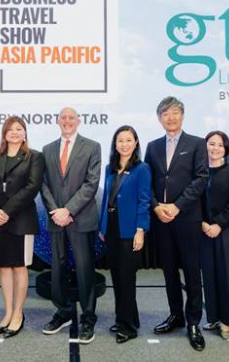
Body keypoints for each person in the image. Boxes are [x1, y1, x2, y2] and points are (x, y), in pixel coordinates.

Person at [144, 96, 208, 351]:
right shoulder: (152, 146)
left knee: (192, 271)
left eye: (174, 113)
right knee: (169, 270)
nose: (170, 118)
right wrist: (156, 206)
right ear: (159, 118)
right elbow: (146, 181)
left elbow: (201, 178)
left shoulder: (197, 143)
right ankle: (176, 315)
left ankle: (193, 322)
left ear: (182, 116)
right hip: (161, 218)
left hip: (187, 217)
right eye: (165, 114)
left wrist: (177, 205)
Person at [0, 116, 45, 339]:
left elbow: (32, 187)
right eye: (10, 129)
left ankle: (18, 314)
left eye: (19, 129)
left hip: (21, 219)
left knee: (19, 267)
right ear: (4, 133)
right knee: (4, 267)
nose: (15, 132)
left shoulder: (34, 157)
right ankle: (8, 312)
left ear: (25, 133)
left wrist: (6, 211)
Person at [40, 107, 101, 344]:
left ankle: (88, 318)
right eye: (63, 118)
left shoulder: (92, 146)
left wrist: (68, 210)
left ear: (79, 121)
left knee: (85, 269)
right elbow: (43, 184)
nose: (67, 121)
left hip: (80, 217)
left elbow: (91, 183)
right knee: (58, 268)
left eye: (71, 118)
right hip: (56, 218)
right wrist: (56, 211)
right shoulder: (47, 149)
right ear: (58, 121)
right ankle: (63, 311)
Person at [98, 125, 151, 344]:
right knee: (117, 277)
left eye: (129, 140)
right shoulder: (109, 167)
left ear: (135, 143)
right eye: (120, 140)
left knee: (127, 278)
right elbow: (106, 199)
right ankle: (126, 318)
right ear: (115, 143)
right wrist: (102, 226)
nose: (125, 144)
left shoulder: (142, 169)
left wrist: (141, 230)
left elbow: (144, 201)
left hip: (130, 229)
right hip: (111, 227)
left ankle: (128, 327)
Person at [200, 131, 229, 340]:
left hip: (228, 229)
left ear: (226, 148)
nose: (215, 148)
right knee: (209, 274)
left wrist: (218, 224)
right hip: (203, 229)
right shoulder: (198, 171)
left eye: (220, 144)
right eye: (211, 143)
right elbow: (193, 200)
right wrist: (202, 223)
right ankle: (214, 316)